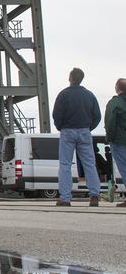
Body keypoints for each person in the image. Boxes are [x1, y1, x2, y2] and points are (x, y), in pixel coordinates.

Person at [52, 67, 101, 207]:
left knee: (65, 164)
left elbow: (56, 115)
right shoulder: (90, 95)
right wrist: (88, 127)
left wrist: (60, 126)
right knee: (89, 164)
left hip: (67, 131)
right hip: (84, 130)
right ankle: (94, 195)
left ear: (70, 78)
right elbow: (97, 116)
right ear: (81, 79)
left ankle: (66, 198)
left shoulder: (63, 95)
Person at [104, 77, 126, 208]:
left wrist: (109, 138)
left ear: (117, 88)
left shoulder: (115, 103)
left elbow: (110, 122)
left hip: (119, 140)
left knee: (124, 168)